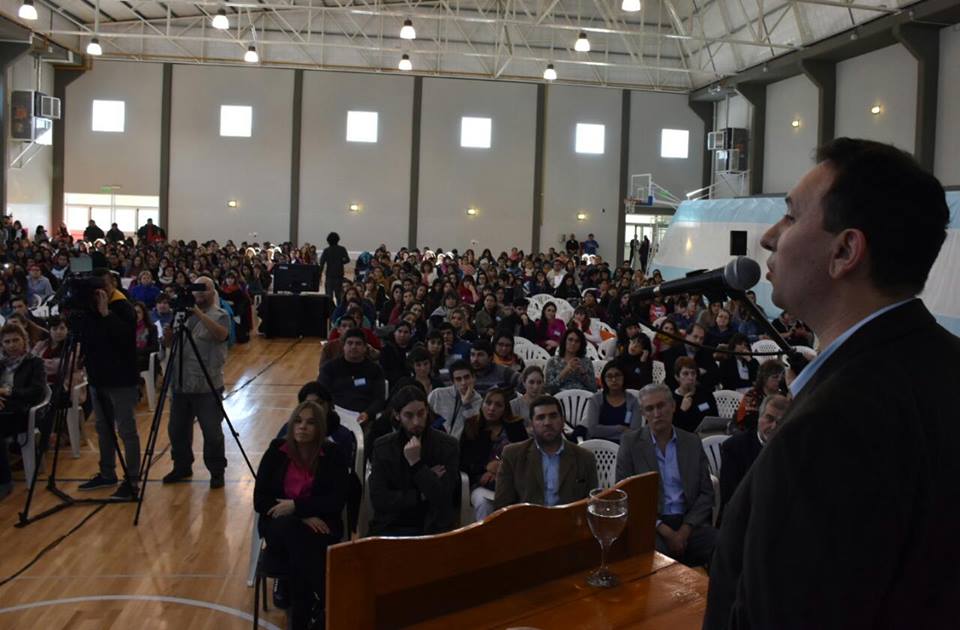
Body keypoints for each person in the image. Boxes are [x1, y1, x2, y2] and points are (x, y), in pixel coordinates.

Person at [705, 139, 960, 629]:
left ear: (844, 251)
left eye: (790, 216)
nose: (769, 238)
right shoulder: (944, 364)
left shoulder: (831, 426)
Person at [254, 400, 349, 629]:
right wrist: (301, 514)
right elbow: (261, 500)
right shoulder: (276, 451)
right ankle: (328, 604)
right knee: (293, 530)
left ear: (320, 428)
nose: (302, 427)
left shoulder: (333, 454)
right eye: (297, 421)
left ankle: (301, 617)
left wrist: (296, 507)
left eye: (310, 423)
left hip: (321, 527)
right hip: (279, 526)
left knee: (301, 547)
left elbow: (336, 501)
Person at [616, 383, 717, 567]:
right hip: (652, 525)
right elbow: (626, 495)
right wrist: (665, 531)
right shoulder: (631, 444)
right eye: (650, 409)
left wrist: (685, 529)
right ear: (643, 413)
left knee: (725, 545)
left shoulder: (692, 442)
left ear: (673, 406)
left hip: (689, 522)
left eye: (661, 406)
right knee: (656, 560)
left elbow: (706, 493)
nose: (657, 413)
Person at [77, 268, 141, 500]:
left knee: (126, 430)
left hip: (121, 379)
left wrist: (106, 313)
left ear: (112, 283)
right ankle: (107, 473)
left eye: (103, 285)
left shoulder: (123, 306)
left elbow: (125, 339)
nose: (99, 290)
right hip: (97, 377)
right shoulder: (89, 308)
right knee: (103, 428)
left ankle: (132, 479)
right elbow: (87, 337)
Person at [161, 276, 231, 489]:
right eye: (196, 288)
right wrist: (168, 335)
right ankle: (182, 466)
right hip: (181, 383)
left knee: (212, 432)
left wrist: (198, 313)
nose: (199, 292)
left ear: (213, 292)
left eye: (204, 288)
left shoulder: (220, 315)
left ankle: (216, 471)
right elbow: (170, 344)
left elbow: (221, 335)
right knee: (177, 430)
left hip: (207, 384)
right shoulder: (180, 315)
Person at [368, 385, 460, 536]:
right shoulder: (383, 446)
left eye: (421, 413)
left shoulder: (447, 445)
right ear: (397, 415)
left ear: (427, 411)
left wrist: (416, 464)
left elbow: (442, 497)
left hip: (433, 525)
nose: (416, 422)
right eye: (409, 416)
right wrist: (421, 494)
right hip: (392, 523)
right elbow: (380, 499)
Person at [493, 394, 598, 510]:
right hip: (527, 520)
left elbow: (592, 504)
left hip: (569, 520)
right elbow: (502, 505)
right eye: (540, 417)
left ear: (562, 421)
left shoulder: (585, 458)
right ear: (532, 424)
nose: (547, 422)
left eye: (553, 416)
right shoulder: (513, 455)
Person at [459, 388, 528, 521]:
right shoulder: (472, 425)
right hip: (481, 482)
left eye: (498, 405)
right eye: (488, 403)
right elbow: (464, 461)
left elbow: (525, 457)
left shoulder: (515, 426)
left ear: (505, 409)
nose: (491, 408)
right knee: (483, 503)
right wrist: (486, 468)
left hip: (511, 480)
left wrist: (501, 469)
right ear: (482, 404)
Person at [718, 394, 787, 517]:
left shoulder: (791, 448)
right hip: (744, 515)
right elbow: (731, 497)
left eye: (781, 422)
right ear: (759, 417)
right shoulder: (734, 447)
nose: (774, 427)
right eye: (769, 418)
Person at [0, 323, 46, 499]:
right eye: (7, 342)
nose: (11, 345)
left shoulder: (34, 363)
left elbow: (37, 392)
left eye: (15, 340)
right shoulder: (0, 364)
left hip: (23, 413)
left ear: (24, 340)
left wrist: (9, 392)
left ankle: (4, 481)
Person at [317, 328, 386, 425]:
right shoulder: (329, 368)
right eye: (350, 343)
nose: (353, 347)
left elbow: (379, 399)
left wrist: (368, 413)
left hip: (364, 418)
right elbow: (320, 395)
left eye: (358, 344)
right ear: (343, 346)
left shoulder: (375, 370)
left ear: (365, 347)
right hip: (334, 417)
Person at [582, 361, 643, 442]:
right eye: (609, 376)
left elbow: (635, 433)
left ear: (624, 377)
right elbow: (593, 430)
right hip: (598, 445)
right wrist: (620, 429)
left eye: (617, 375)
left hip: (625, 445)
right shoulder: (596, 399)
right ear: (604, 379)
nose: (614, 380)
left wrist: (605, 431)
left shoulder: (633, 401)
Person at [427, 359, 482, 439]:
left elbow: (473, 431)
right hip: (434, 440)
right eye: (458, 379)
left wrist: (466, 403)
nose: (463, 382)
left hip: (459, 444)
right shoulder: (437, 394)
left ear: (473, 378)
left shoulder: (478, 401)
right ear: (453, 382)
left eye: (467, 377)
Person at [660, 323, 718, 391]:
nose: (698, 341)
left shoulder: (706, 353)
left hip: (701, 391)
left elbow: (715, 376)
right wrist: (698, 372)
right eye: (695, 337)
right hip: (677, 392)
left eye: (701, 338)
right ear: (686, 335)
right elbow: (671, 376)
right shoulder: (672, 352)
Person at [733, 360, 785, 433]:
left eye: (781, 377)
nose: (779, 380)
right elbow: (743, 420)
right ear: (764, 379)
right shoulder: (752, 395)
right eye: (775, 377)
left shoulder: (784, 395)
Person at [671, 356, 718, 433]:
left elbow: (715, 417)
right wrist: (682, 411)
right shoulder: (672, 400)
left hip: (708, 434)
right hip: (686, 437)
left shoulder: (705, 393)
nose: (690, 377)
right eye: (685, 374)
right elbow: (674, 430)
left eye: (693, 373)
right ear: (677, 377)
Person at [544, 328, 596, 394]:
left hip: (583, 397)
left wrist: (583, 374)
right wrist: (565, 371)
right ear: (564, 341)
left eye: (577, 341)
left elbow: (593, 389)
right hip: (560, 397)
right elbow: (549, 390)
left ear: (581, 344)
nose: (573, 343)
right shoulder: (553, 362)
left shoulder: (587, 362)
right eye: (570, 340)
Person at [318, 231, 350, 306]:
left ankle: (329, 310)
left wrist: (319, 276)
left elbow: (321, 264)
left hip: (329, 276)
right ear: (337, 240)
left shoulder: (326, 250)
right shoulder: (342, 249)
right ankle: (339, 309)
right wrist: (341, 261)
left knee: (329, 296)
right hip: (339, 275)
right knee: (339, 296)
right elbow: (347, 260)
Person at [510, 365, 545, 431]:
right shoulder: (514, 405)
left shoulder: (549, 403)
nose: (535, 387)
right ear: (524, 383)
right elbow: (512, 430)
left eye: (539, 382)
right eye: (531, 382)